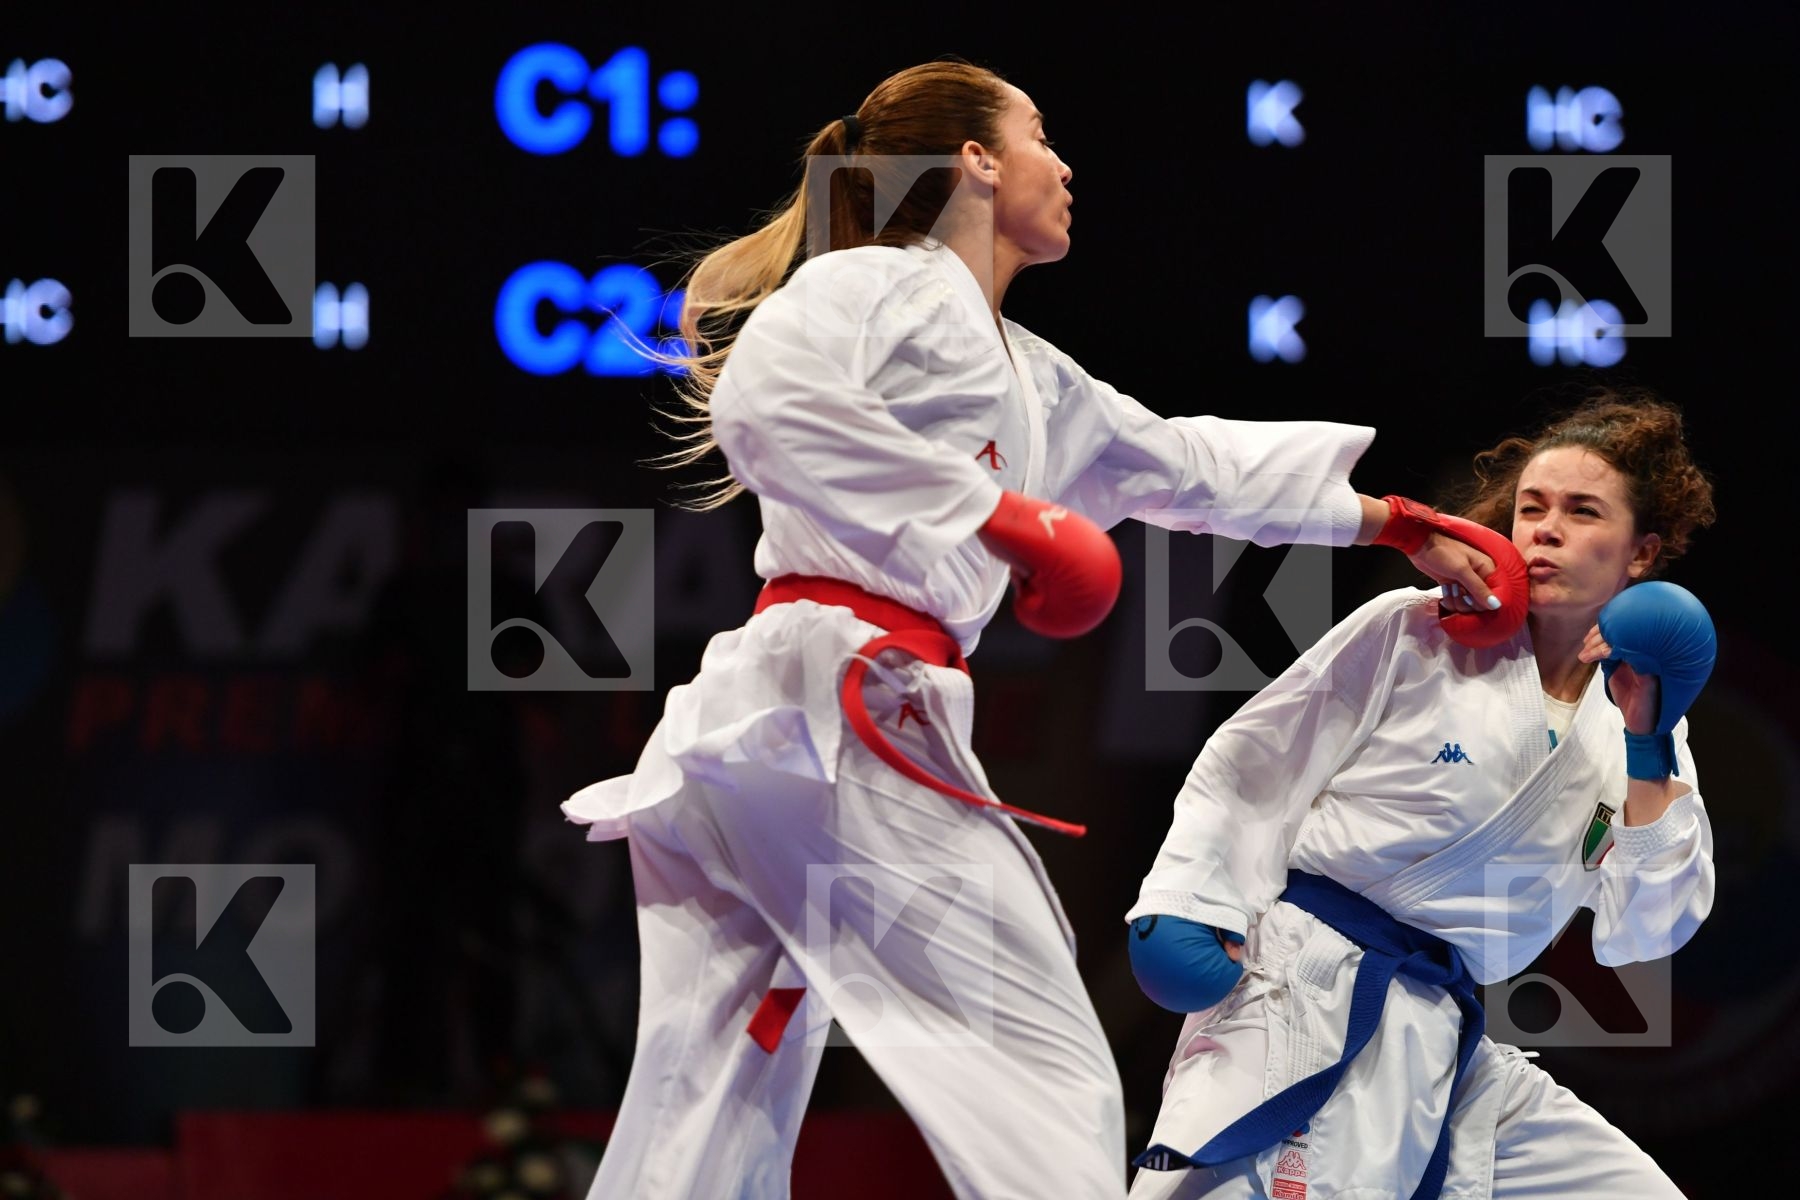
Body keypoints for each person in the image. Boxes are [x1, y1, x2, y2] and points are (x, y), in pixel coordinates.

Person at [563, 57, 1506, 1199]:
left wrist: (1392, 523)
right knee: (1042, 1064)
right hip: (837, 712)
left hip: (771, 739)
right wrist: (991, 511)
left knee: (706, 1106)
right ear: (974, 160)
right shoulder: (874, 281)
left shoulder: (1039, 381)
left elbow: (1194, 467)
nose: (1064, 165)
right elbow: (763, 404)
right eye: (1040, 135)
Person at [1123, 388, 1718, 1199]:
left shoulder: (1642, 721)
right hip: (1310, 990)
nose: (1544, 528)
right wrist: (1191, 899)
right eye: (1532, 507)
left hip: (1451, 1031)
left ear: (1641, 554)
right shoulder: (1415, 628)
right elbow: (1256, 760)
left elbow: (1641, 930)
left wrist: (1649, 746)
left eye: (1582, 512)